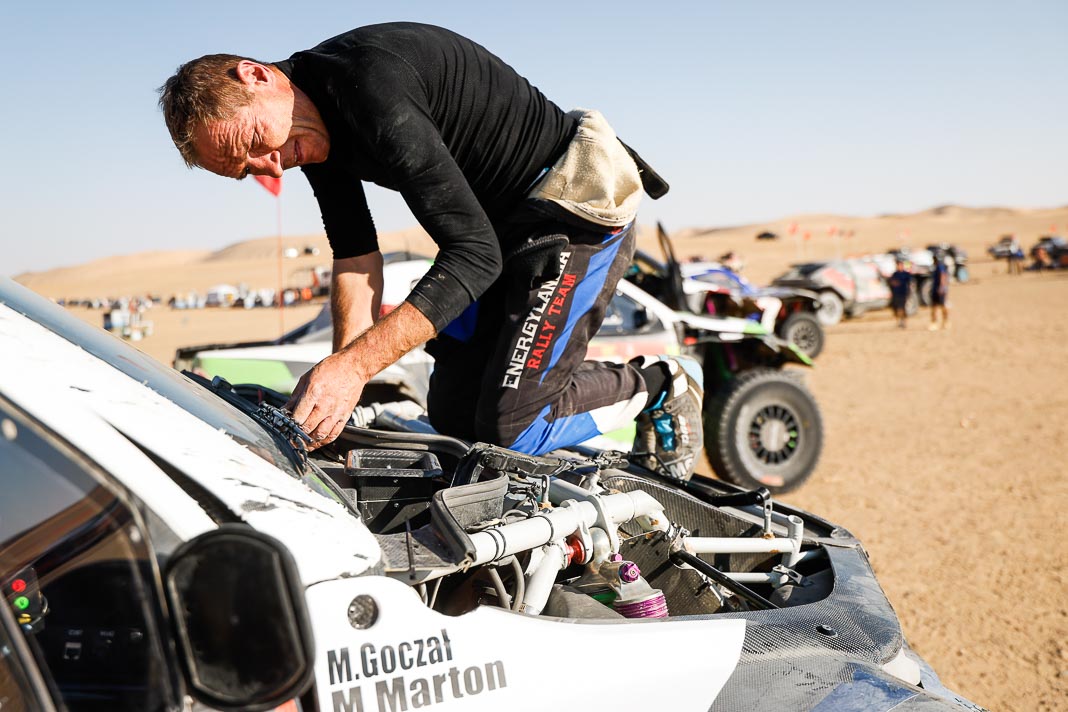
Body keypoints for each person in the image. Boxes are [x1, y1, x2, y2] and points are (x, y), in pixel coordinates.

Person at [158, 22, 704, 479]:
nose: (272, 166)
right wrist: (346, 380)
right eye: (247, 170)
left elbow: (473, 255)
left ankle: (661, 383)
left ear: (256, 75)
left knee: (512, 427)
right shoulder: (308, 126)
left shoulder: (370, 84)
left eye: (254, 144)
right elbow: (355, 257)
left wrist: (353, 368)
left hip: (573, 214)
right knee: (453, 416)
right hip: (500, 233)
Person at [887, 259, 912, 328]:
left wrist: (909, 292)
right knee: (895, 308)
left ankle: (903, 321)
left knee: (901, 308)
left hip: (903, 293)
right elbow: (891, 282)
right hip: (896, 294)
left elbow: (910, 283)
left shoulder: (906, 274)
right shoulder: (895, 274)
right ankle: (899, 321)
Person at [929, 252, 950, 330]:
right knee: (934, 307)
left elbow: (943, 275)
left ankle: (945, 321)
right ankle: (934, 322)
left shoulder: (940, 266)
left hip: (940, 290)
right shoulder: (936, 267)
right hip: (935, 289)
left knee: (942, 306)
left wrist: (942, 287)